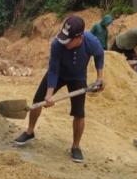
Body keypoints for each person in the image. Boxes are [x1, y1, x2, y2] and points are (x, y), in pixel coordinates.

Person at [14, 16, 104, 163]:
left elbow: (100, 55)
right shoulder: (57, 44)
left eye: (68, 40)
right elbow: (53, 70)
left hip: (78, 77)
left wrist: (100, 78)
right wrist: (48, 95)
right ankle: (30, 131)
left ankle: (76, 146)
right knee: (38, 99)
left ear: (79, 37)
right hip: (59, 73)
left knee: (79, 113)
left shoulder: (91, 41)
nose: (64, 42)